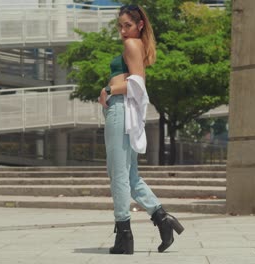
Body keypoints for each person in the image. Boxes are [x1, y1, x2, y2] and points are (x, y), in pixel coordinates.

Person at [98, 4, 184, 255]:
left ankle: (124, 234)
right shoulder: (137, 45)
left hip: (120, 110)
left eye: (128, 25)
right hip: (121, 111)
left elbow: (137, 83)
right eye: (120, 25)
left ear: (140, 25)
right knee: (130, 175)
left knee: (118, 175)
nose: (123, 31)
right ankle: (162, 219)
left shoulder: (132, 45)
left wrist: (109, 90)